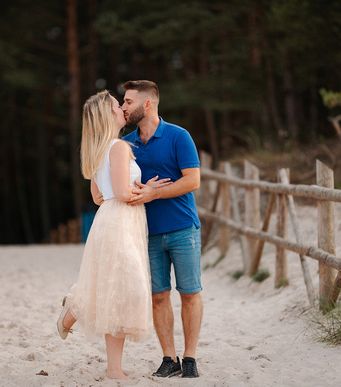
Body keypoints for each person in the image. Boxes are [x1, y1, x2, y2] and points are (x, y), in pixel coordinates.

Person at [56, 90, 169, 380]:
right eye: (117, 106)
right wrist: (149, 190)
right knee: (126, 289)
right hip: (121, 220)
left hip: (109, 218)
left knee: (117, 290)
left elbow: (98, 196)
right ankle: (110, 363)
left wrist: (133, 188)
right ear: (108, 115)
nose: (122, 109)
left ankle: (110, 363)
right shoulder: (118, 147)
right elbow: (120, 193)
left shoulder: (98, 148)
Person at [121, 80, 203, 378]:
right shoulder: (127, 143)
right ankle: (169, 358)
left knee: (190, 293)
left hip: (183, 228)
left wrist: (155, 193)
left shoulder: (179, 136)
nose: (124, 107)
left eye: (129, 101)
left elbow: (192, 181)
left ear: (147, 104)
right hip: (146, 232)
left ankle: (190, 357)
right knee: (158, 296)